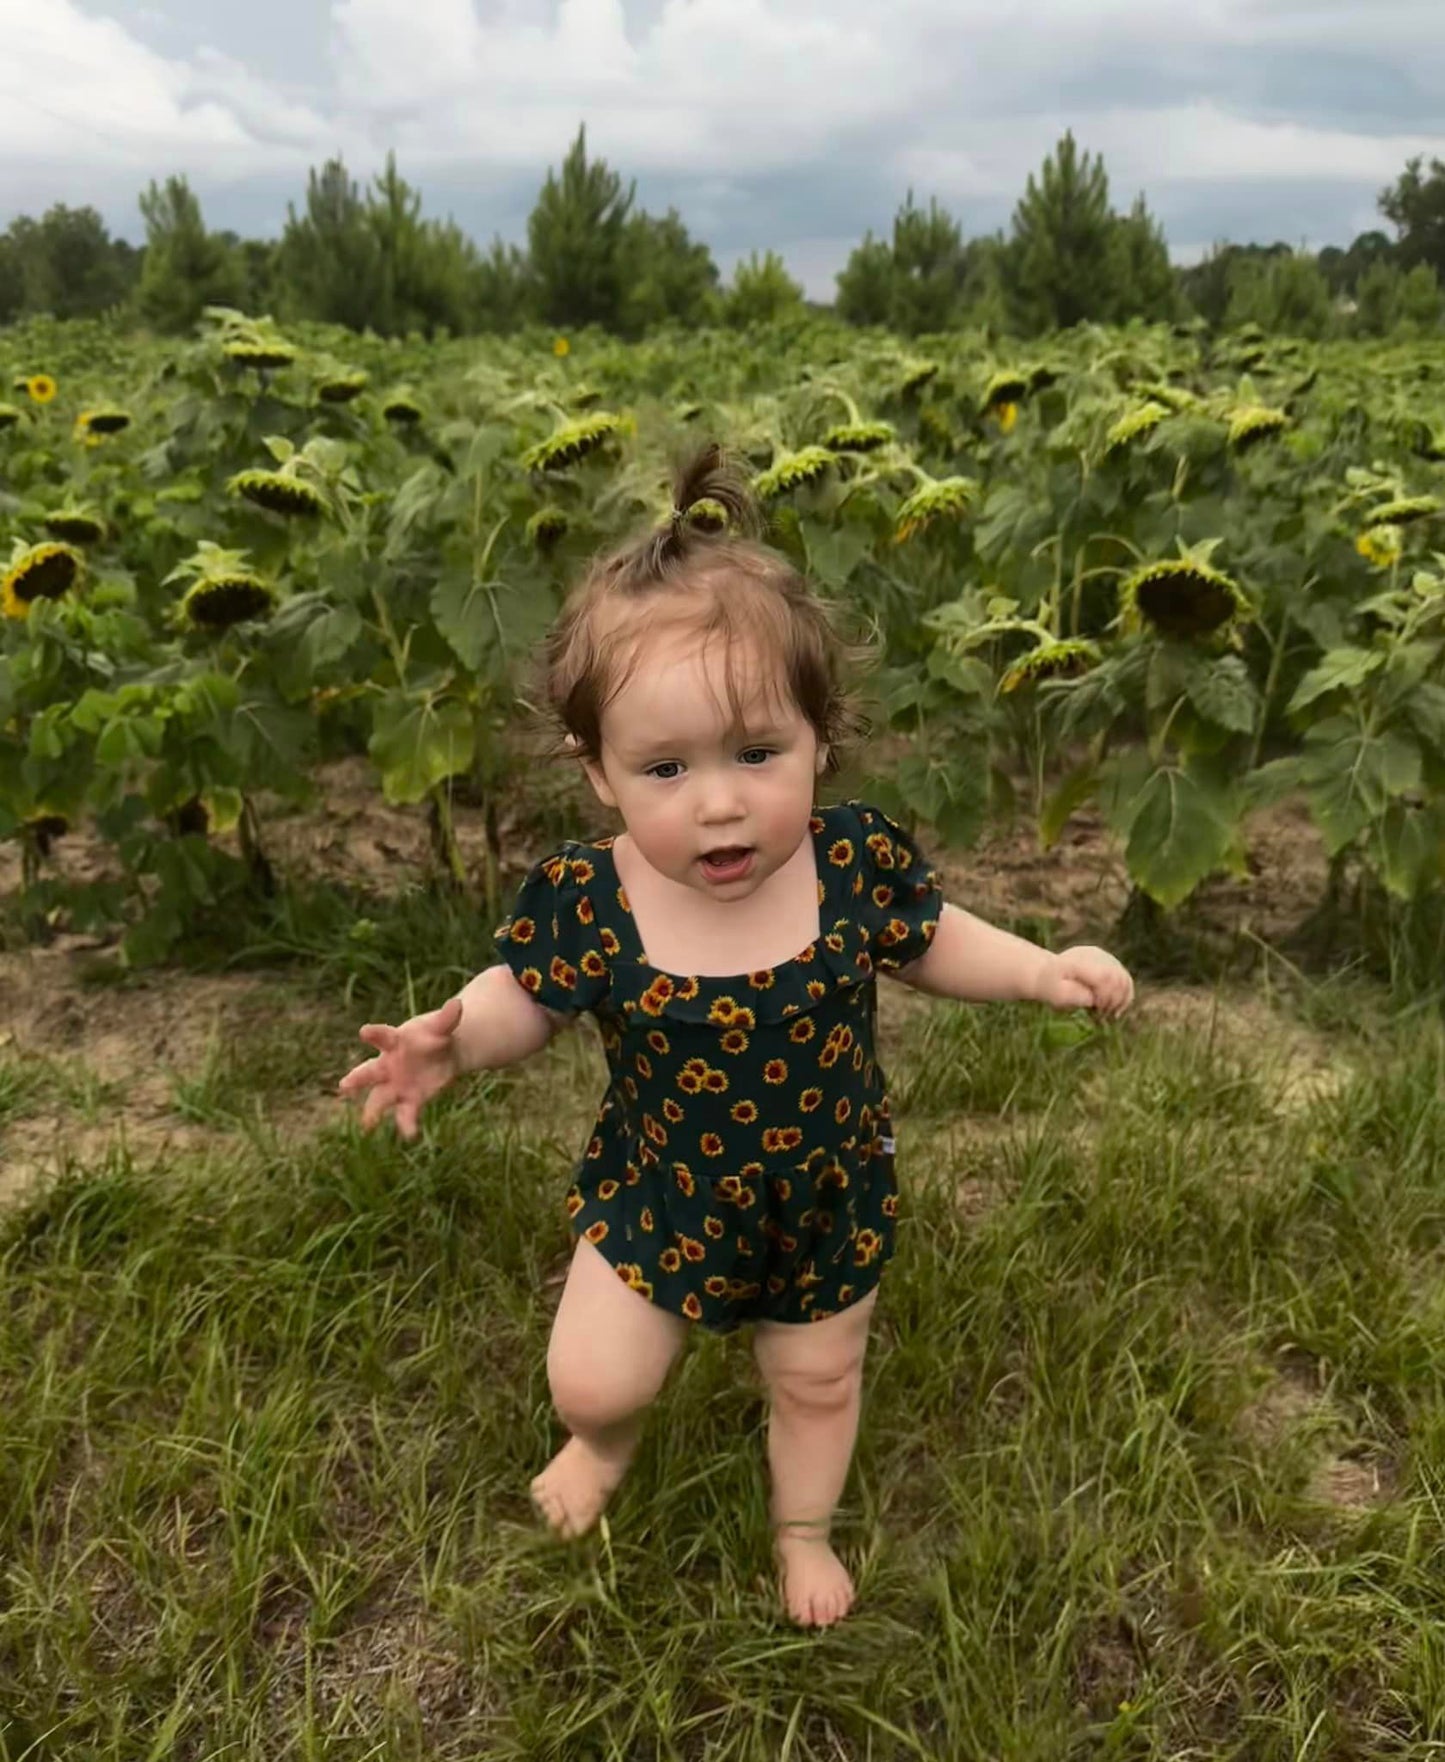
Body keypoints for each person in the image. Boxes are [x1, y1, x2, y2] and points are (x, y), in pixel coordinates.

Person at [337, 441, 1134, 1629]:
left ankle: (799, 1525)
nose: (718, 800)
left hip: (822, 1186)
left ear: (821, 736)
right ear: (598, 772)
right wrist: (455, 1043)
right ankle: (602, 1449)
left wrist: (1038, 970)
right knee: (591, 1377)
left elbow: (927, 938)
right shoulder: (595, 898)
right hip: (664, 1187)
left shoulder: (847, 862)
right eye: (665, 767)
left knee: (815, 1375)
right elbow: (526, 991)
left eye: (756, 754)